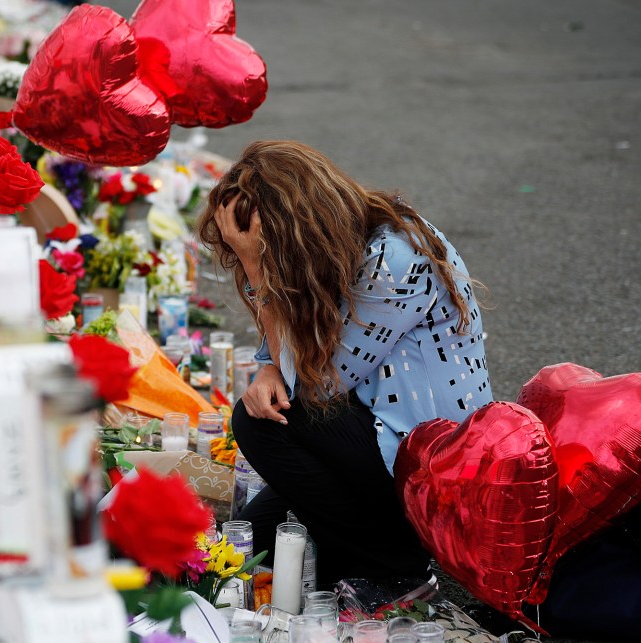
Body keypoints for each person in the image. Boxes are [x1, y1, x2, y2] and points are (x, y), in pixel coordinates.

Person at [198, 140, 492, 588]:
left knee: (260, 423)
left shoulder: (393, 258)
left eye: (260, 246)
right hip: (377, 431)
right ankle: (365, 546)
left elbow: (318, 387)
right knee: (248, 542)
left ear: (295, 227)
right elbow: (292, 353)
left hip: (430, 464)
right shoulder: (346, 238)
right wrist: (270, 368)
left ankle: (397, 568)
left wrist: (258, 270)